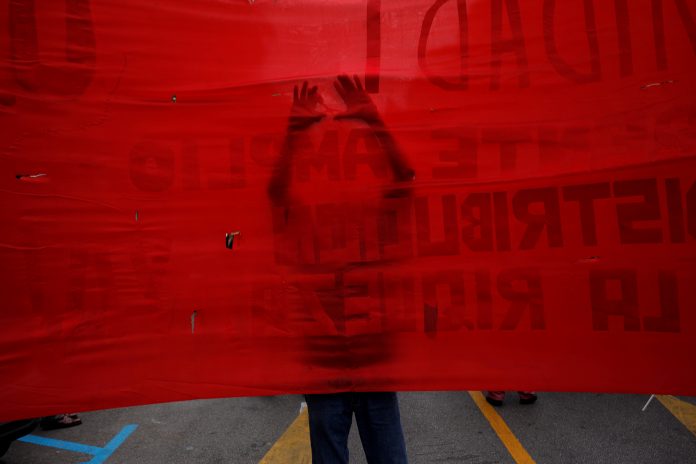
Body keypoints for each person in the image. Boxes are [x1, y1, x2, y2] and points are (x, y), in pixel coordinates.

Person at [268, 75, 413, 464]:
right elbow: (277, 195)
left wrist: (371, 118)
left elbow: (404, 181)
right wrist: (295, 133)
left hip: (370, 361)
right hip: (327, 361)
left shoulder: (373, 225)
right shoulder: (310, 224)